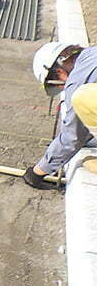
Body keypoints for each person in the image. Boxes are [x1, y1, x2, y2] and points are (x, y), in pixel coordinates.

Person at [23, 41, 97, 190]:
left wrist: (38, 172)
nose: (64, 87)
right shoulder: (92, 55)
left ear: (58, 72)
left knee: (83, 98)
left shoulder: (77, 82)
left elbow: (72, 138)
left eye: (59, 85)